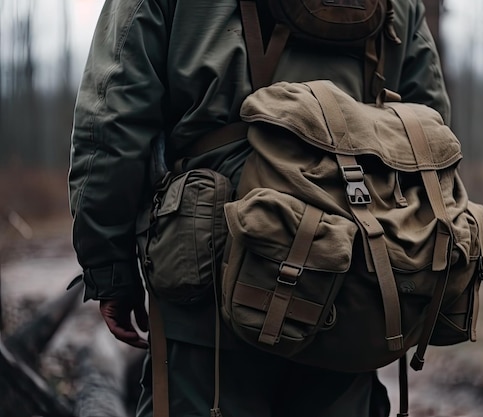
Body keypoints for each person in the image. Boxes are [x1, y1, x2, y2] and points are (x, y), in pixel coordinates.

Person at [68, 0, 451, 416]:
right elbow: (429, 128)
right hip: (349, 271)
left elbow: (111, 123)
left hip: (209, 273)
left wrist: (109, 271)